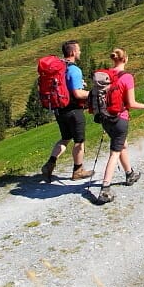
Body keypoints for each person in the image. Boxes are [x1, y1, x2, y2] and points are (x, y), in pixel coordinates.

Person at [94, 47, 144, 204]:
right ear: (125, 59)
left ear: (113, 59)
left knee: (122, 145)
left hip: (105, 119)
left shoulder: (104, 77)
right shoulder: (127, 77)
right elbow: (131, 103)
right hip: (120, 118)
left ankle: (129, 173)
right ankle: (105, 189)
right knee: (115, 152)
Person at [41, 40, 94, 183]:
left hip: (59, 109)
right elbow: (78, 94)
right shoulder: (74, 70)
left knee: (65, 138)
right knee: (79, 141)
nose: (80, 52)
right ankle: (78, 170)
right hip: (73, 110)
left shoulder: (59, 68)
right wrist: (93, 93)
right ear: (72, 52)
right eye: (78, 50)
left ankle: (49, 164)